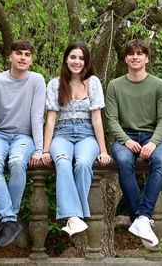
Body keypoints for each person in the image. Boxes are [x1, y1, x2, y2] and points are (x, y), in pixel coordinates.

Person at [0, 40, 46, 248]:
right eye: (19, 53)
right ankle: (10, 221)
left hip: (24, 137)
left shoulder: (36, 80)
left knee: (16, 162)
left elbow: (36, 117)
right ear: (10, 56)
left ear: (31, 60)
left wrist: (40, 149)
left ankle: (8, 220)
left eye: (27, 54)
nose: (23, 57)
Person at [105, 39, 162, 248]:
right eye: (131, 53)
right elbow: (111, 120)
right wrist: (126, 140)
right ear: (125, 58)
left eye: (140, 53)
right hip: (125, 137)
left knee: (159, 162)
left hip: (152, 137)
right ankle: (141, 218)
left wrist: (152, 142)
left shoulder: (158, 85)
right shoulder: (115, 85)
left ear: (147, 58)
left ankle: (140, 218)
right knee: (124, 161)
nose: (135, 57)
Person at [41, 42, 111, 236]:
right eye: (73, 57)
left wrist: (103, 150)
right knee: (62, 162)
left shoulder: (93, 82)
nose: (77, 62)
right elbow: (51, 119)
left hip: (86, 134)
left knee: (82, 164)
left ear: (86, 61)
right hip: (61, 134)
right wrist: (45, 150)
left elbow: (97, 118)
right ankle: (74, 217)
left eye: (81, 58)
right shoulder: (55, 84)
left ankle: (74, 217)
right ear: (66, 59)